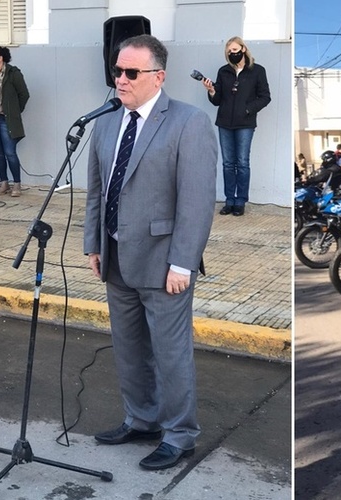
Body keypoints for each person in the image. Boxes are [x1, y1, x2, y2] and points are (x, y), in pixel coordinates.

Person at [83, 35, 217, 471]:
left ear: (158, 77)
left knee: (170, 352)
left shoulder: (188, 122)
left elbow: (196, 202)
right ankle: (141, 419)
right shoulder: (105, 122)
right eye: (117, 71)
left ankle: (179, 435)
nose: (120, 80)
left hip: (163, 263)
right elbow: (96, 194)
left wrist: (182, 262)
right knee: (128, 347)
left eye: (130, 73)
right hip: (116, 258)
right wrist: (93, 244)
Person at [202, 36, 271, 216]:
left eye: (235, 50)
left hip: (245, 124)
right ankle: (229, 200)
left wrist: (248, 110)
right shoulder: (223, 71)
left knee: (242, 163)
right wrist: (211, 91)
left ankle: (240, 201)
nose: (233, 53)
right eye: (229, 52)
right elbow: (217, 101)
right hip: (224, 122)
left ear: (243, 49)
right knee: (227, 163)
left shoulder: (257, 71)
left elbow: (265, 97)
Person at [0, 45, 29, 197]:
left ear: (0, 58)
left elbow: (24, 94)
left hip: (5, 119)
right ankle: (3, 182)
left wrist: (14, 111)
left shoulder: (13, 73)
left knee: (10, 152)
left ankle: (17, 184)